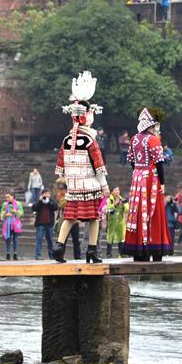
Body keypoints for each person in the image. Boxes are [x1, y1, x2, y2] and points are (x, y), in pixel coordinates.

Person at [53, 71, 109, 264]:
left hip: (74, 186)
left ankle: (59, 247)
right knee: (94, 219)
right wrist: (104, 186)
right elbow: (98, 166)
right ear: (87, 117)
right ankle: (92, 251)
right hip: (90, 185)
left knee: (69, 217)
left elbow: (61, 166)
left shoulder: (67, 139)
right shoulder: (89, 140)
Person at [122, 107, 173, 261]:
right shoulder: (153, 140)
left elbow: (131, 160)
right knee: (154, 211)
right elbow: (159, 164)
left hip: (137, 178)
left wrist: (138, 171)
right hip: (151, 179)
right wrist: (162, 182)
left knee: (137, 212)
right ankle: (154, 246)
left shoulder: (134, 139)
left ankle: (139, 248)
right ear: (153, 124)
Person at [32, 189, 57, 260]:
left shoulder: (51, 201)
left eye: (48, 194)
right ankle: (38, 256)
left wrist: (48, 202)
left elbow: (55, 207)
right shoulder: (39, 201)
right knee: (39, 240)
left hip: (49, 224)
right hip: (40, 224)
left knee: (50, 241)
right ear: (42, 194)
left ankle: (52, 256)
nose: (46, 195)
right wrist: (40, 201)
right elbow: (34, 208)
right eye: (45, 194)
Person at [105, 188, 127, 258]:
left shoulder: (122, 199)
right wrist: (114, 204)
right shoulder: (109, 200)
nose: (117, 191)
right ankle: (109, 253)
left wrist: (124, 204)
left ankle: (122, 253)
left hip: (120, 222)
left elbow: (127, 209)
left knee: (121, 237)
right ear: (112, 192)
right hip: (112, 222)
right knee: (110, 237)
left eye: (118, 190)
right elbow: (107, 209)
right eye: (115, 190)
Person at [1, 192, 23, 260]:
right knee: (7, 239)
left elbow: (21, 213)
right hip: (7, 224)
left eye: (8, 197)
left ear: (13, 196)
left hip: (15, 224)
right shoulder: (5, 204)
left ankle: (15, 254)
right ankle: (7, 253)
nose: (7, 199)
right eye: (6, 197)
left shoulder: (18, 203)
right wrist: (5, 215)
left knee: (15, 239)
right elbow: (1, 213)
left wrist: (15, 212)